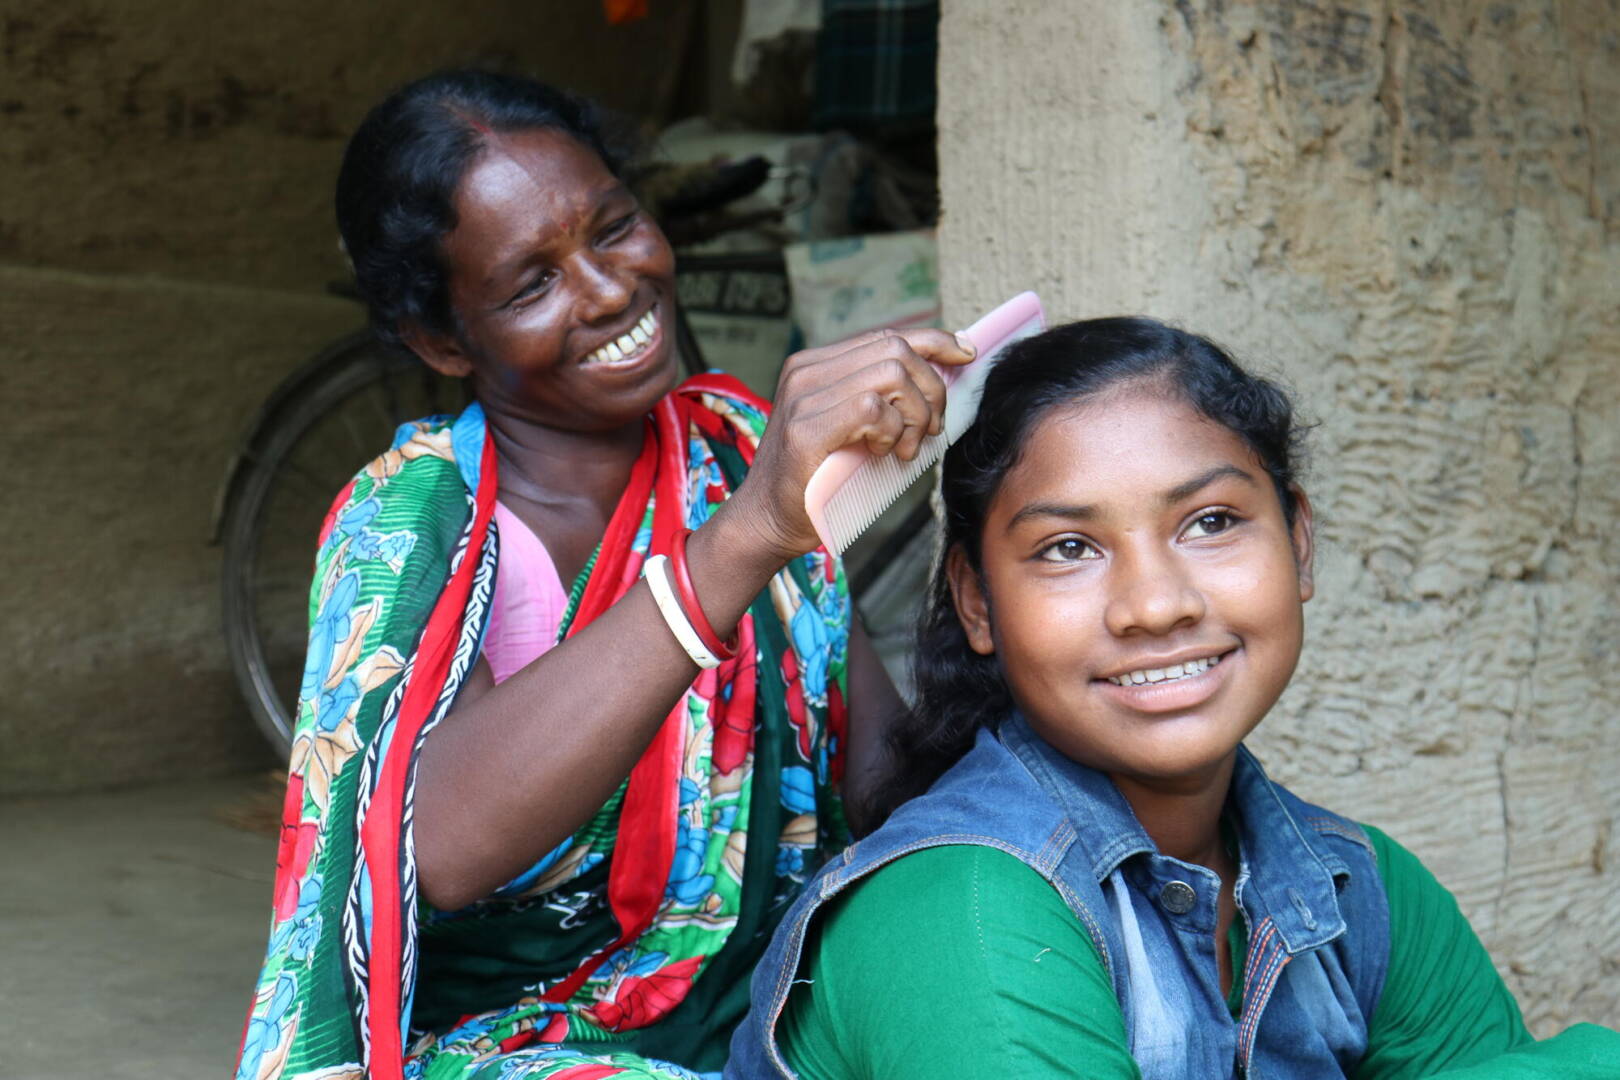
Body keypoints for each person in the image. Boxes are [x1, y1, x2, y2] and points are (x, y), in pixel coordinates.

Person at [234, 69, 974, 1080]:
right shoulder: (413, 521)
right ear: (441, 339)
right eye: (532, 284)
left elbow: (876, 767)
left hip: (761, 999)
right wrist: (746, 535)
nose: (610, 289)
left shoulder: (730, 450)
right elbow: (436, 847)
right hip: (511, 1045)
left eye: (614, 226)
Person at [725, 317, 1620, 1078]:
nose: (1157, 604)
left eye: (1212, 523)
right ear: (976, 600)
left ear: (1299, 543)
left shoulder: (1360, 888)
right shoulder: (960, 912)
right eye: (1069, 547)